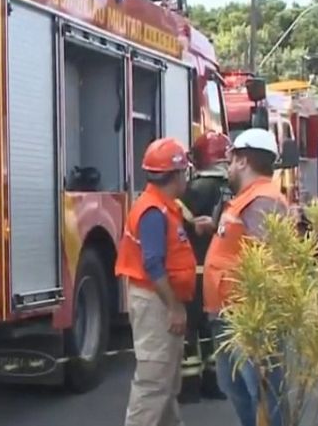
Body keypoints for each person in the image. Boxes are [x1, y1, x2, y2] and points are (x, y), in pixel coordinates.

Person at [116, 137, 211, 426]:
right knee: (154, 382)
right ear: (177, 175)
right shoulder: (153, 212)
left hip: (157, 299)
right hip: (155, 302)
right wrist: (174, 307)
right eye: (185, 172)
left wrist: (195, 224)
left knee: (167, 383)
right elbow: (153, 263)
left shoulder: (163, 206)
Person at [203, 128, 288, 426]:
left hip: (250, 319)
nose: (227, 167)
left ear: (241, 160)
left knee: (264, 395)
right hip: (232, 315)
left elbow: (269, 261)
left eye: (229, 160)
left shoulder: (263, 199)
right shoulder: (248, 198)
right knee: (237, 387)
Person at [177, 131, 232, 404]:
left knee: (190, 330)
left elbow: (177, 221)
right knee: (212, 331)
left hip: (194, 268)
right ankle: (213, 382)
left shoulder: (194, 190)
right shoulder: (232, 187)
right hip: (219, 271)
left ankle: (189, 388)